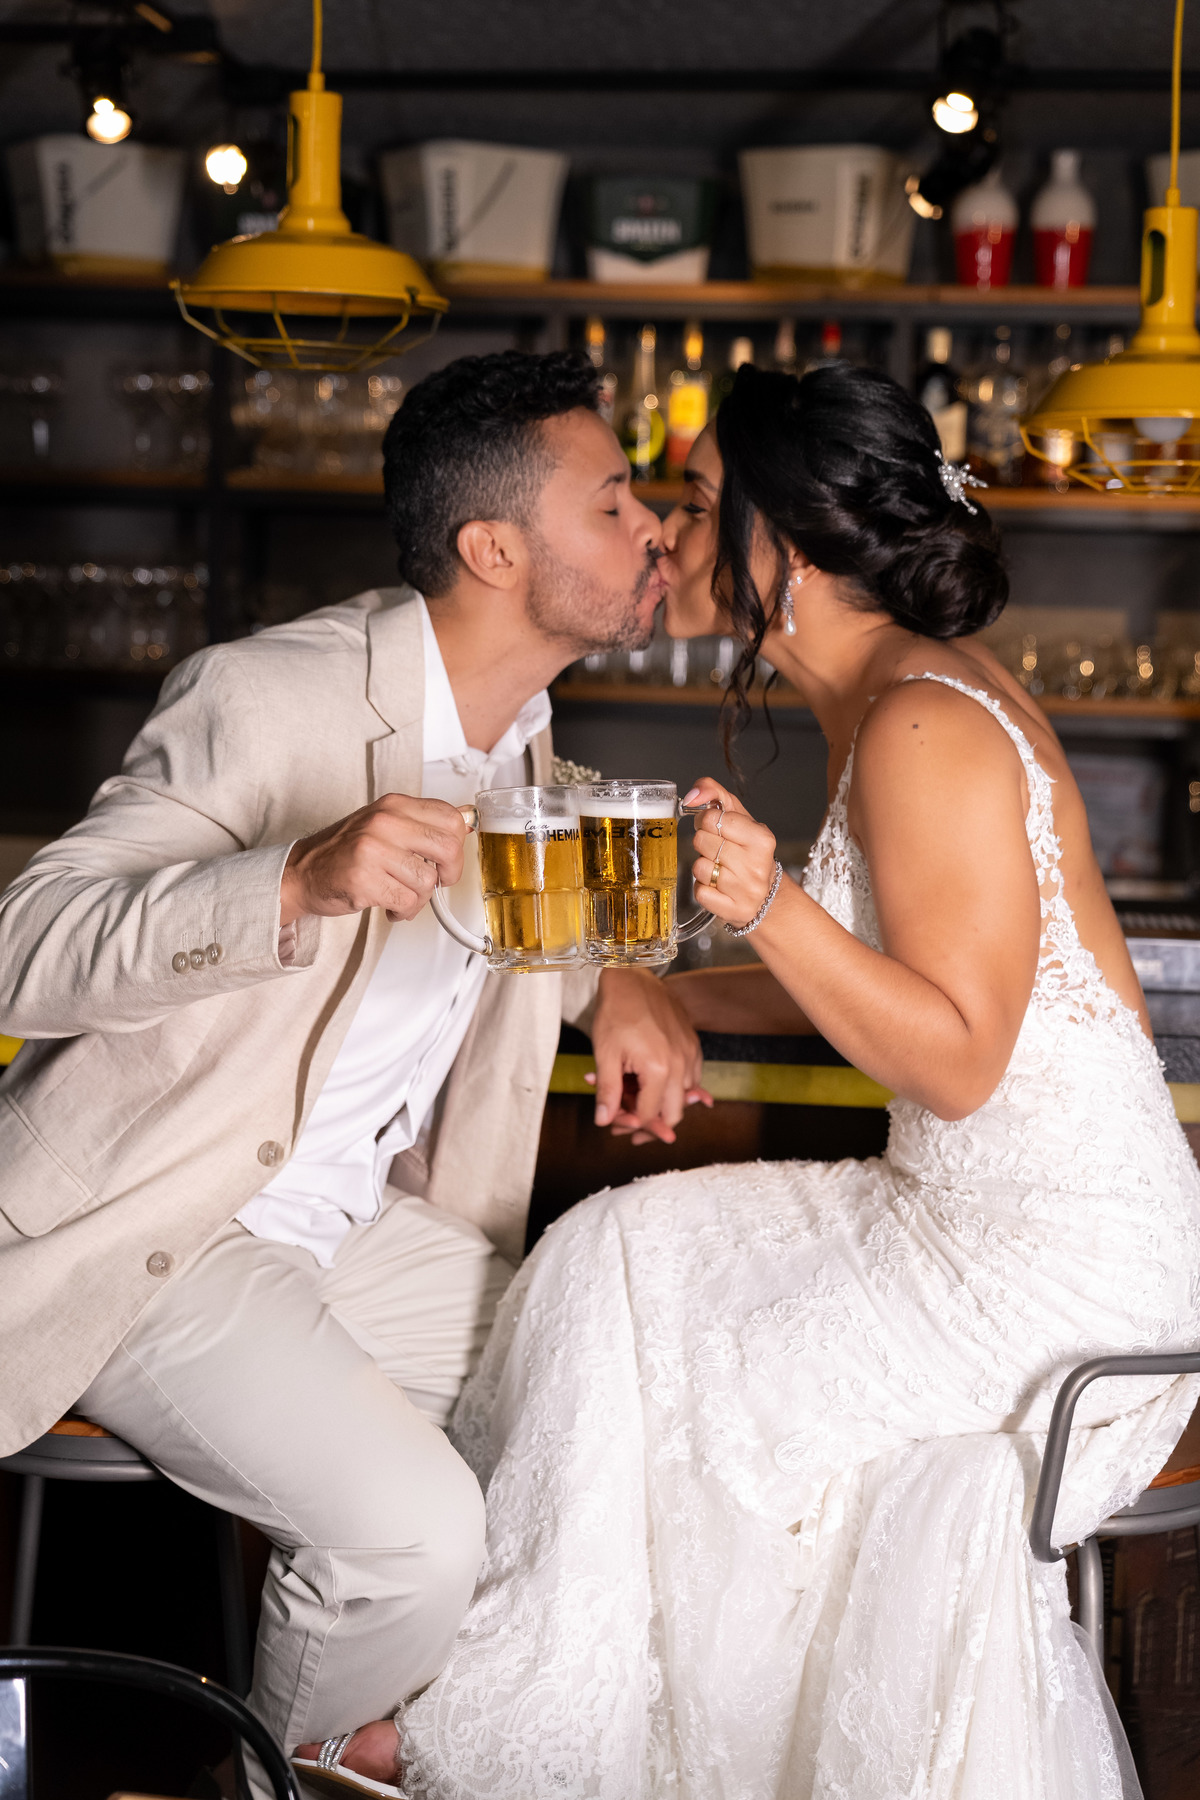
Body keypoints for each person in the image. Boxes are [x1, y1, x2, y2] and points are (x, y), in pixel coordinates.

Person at [317, 363, 1200, 1800]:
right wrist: (665, 993)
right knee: (620, 1254)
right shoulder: (888, 696)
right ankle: (546, 1704)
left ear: (784, 537)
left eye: (699, 500)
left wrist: (771, 903)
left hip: (1052, 1263)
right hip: (960, 1216)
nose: (667, 533)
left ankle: (514, 1730)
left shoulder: (923, 721)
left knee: (675, 1343)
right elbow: (880, 974)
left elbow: (961, 1063)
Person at [0, 349, 707, 1790]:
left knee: (617, 1406)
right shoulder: (265, 697)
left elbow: (516, 887)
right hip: (166, 1223)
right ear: (494, 550)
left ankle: (379, 1744)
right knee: (416, 1537)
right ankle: (288, 1776)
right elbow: (28, 940)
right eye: (615, 502)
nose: (655, 530)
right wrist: (292, 880)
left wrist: (619, 978)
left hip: (353, 1229)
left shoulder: (521, 730)